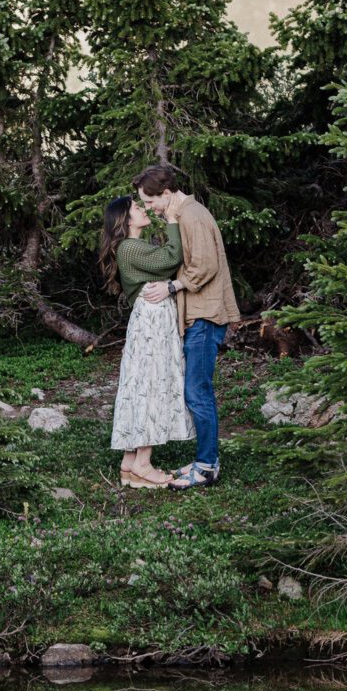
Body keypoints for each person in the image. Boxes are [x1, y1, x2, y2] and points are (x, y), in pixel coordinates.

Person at [135, 164, 240, 489]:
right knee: (196, 390)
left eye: (150, 202)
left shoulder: (192, 215)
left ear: (165, 194)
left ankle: (208, 466)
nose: (149, 209)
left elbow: (205, 265)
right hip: (199, 314)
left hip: (206, 316)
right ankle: (204, 460)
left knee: (198, 392)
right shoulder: (185, 214)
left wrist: (171, 287)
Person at [101, 195, 194, 490]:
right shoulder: (129, 247)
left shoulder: (131, 247)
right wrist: (173, 221)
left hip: (150, 318)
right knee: (152, 384)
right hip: (152, 320)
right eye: (137, 208)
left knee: (142, 384)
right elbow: (171, 258)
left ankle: (130, 463)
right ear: (125, 220)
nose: (143, 210)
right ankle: (143, 464)